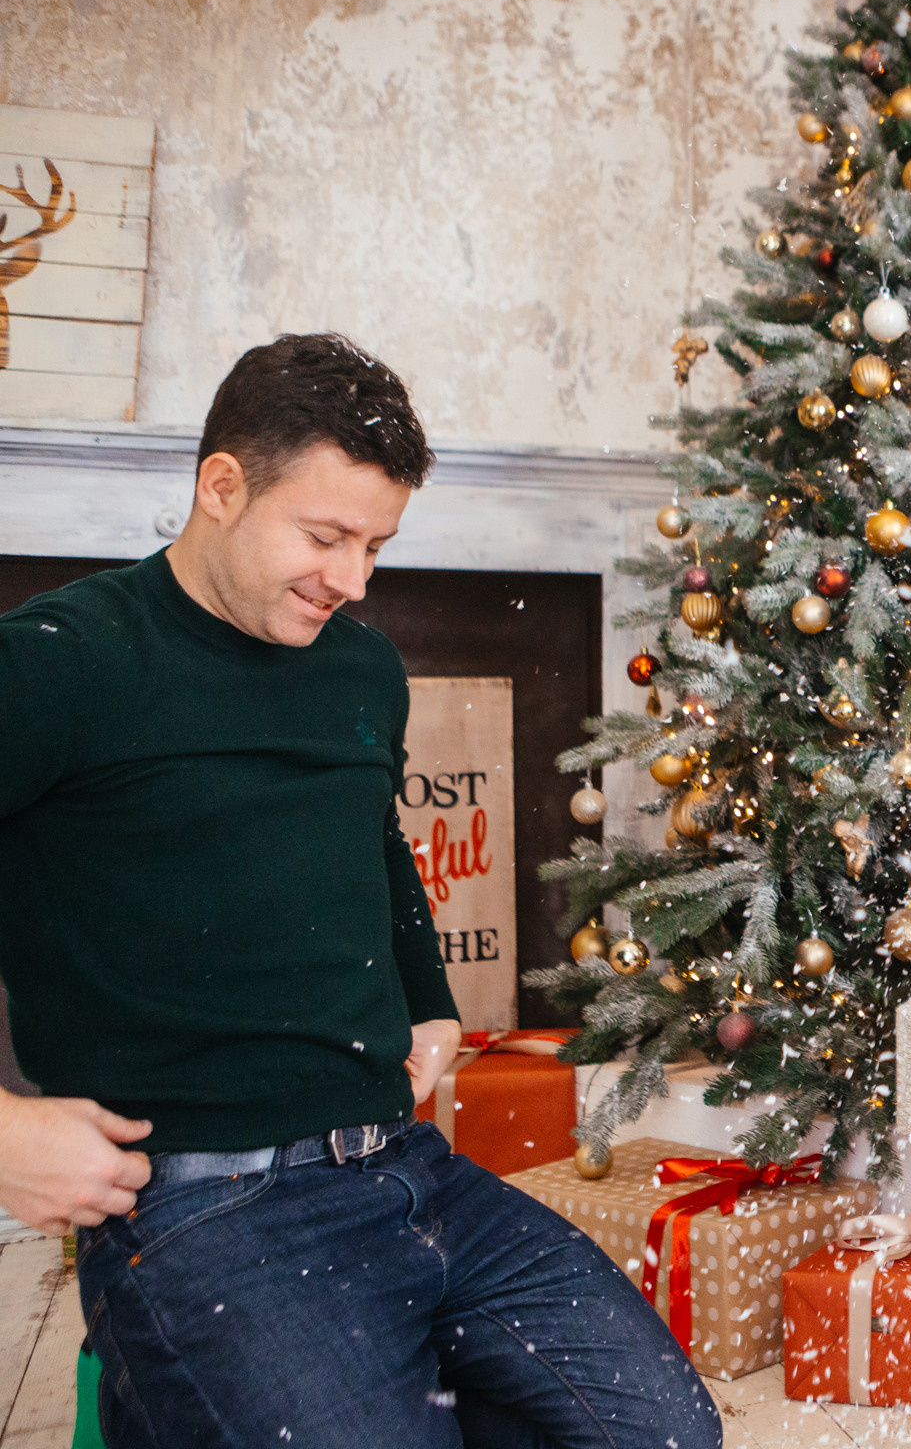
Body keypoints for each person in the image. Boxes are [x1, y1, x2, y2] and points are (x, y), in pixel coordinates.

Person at [0, 334, 722, 1449]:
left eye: (376, 545)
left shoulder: (359, 666)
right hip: (202, 1202)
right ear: (222, 487)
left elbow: (375, 840)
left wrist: (430, 997)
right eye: (325, 536)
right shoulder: (60, 661)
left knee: (664, 1432)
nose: (353, 580)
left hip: (405, 1169)